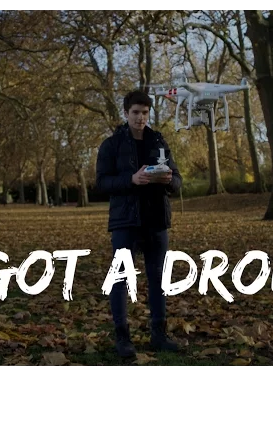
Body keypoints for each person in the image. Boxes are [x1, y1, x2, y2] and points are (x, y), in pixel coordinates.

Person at [95, 89, 182, 358]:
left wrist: (169, 180)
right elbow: (101, 183)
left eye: (145, 112)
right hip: (125, 222)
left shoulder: (158, 141)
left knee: (158, 279)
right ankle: (123, 337)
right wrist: (131, 180)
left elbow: (178, 180)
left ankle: (159, 335)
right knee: (121, 279)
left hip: (156, 220)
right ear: (126, 112)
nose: (140, 118)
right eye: (135, 112)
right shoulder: (111, 144)